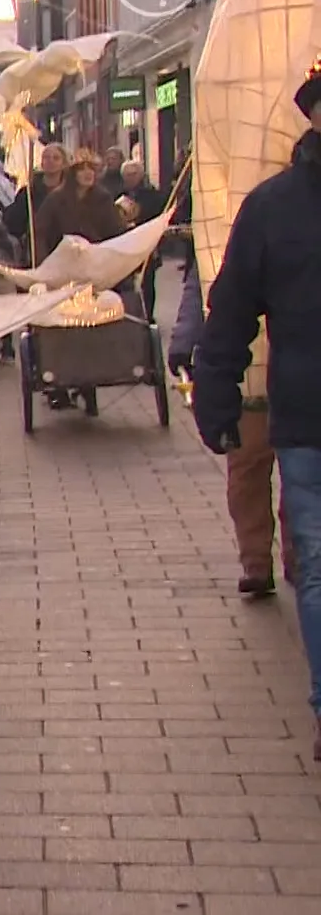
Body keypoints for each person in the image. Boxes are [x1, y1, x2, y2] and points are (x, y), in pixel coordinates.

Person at [194, 63, 321, 759]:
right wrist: (217, 392)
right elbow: (234, 306)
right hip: (309, 418)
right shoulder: (273, 208)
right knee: (319, 563)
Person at [170, 257, 293, 597]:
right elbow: (197, 293)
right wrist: (184, 344)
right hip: (247, 377)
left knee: (295, 474)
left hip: (288, 374)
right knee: (248, 470)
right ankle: (256, 562)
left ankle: (297, 557)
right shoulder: (218, 226)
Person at [118, 159, 168, 317]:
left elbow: (158, 215)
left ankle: (148, 314)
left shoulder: (151, 194)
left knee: (147, 280)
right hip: (125, 242)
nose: (130, 178)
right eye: (127, 175)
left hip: (146, 241)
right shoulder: (117, 194)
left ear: (140, 175)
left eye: (133, 174)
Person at [4, 142, 68, 248]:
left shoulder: (70, 191)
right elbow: (14, 223)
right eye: (46, 157)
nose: (50, 161)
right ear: (42, 163)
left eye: (56, 158)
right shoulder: (29, 192)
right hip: (36, 248)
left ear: (64, 163)